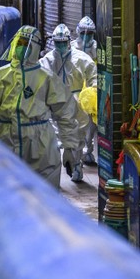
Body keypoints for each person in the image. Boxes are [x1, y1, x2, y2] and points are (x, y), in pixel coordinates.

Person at [0, 26, 81, 189]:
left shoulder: (47, 78)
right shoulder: (1, 76)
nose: (22, 48)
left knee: (45, 193)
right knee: (8, 192)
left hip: (41, 143)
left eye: (26, 44)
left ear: (35, 48)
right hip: (7, 139)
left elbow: (66, 114)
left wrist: (71, 148)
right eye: (20, 43)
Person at [39, 24, 98, 175]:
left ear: (68, 41)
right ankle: (58, 164)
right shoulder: (47, 60)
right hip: (55, 103)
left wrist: (92, 94)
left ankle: (76, 164)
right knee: (56, 134)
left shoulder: (82, 59)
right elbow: (38, 80)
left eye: (63, 42)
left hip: (77, 102)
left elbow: (94, 77)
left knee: (79, 134)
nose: (61, 46)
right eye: (57, 43)